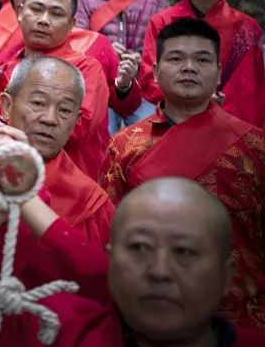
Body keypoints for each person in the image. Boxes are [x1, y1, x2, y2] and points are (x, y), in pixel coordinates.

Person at [0, 172, 264, 345]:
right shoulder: (52, 328)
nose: (159, 271)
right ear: (111, 259)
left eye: (185, 253)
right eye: (138, 249)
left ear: (228, 275)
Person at [101, 17, 265, 330]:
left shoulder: (255, 147)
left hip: (243, 320)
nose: (189, 67)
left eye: (202, 59)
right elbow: (110, 234)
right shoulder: (123, 147)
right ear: (155, 70)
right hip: (146, 313)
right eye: (176, 58)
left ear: (218, 73)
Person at [0, 57, 115, 241]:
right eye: (38, 103)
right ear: (7, 105)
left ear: (76, 120)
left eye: (64, 110)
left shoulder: (91, 202)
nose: (50, 119)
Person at [139, 0, 265, 127]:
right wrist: (194, 99)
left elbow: (260, 90)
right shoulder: (162, 22)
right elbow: (149, 79)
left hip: (238, 129)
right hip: (179, 124)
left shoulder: (247, 27)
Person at [5, 0, 116, 180]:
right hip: (11, 181)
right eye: (36, 9)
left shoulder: (85, 70)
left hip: (69, 190)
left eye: (56, 14)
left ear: (72, 23)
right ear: (20, 12)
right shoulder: (6, 68)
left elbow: (76, 130)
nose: (43, 20)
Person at [75, 0, 167, 132]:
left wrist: (141, 58)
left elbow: (164, 40)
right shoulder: (87, 1)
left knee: (151, 136)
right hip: (102, 86)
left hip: (143, 85)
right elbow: (79, 40)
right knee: (101, 137)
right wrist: (105, 50)